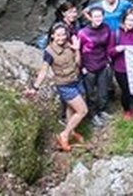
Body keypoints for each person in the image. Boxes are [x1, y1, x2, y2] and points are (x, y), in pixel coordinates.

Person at [24, 22, 87, 151]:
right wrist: (35, 88)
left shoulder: (69, 45)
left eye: (64, 34)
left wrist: (77, 49)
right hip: (65, 85)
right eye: (58, 35)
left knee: (71, 109)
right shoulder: (49, 52)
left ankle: (71, 132)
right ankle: (64, 135)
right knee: (82, 111)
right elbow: (43, 71)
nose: (62, 38)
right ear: (52, 36)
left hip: (75, 80)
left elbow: (78, 63)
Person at [77, 6, 113, 127]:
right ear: (90, 17)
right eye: (95, 16)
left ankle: (102, 110)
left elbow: (109, 45)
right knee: (91, 93)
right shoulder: (83, 33)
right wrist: (82, 67)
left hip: (103, 64)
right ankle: (93, 115)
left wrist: (108, 60)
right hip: (89, 66)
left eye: (100, 16)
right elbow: (79, 51)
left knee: (103, 91)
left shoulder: (106, 28)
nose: (98, 18)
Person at [110, 9, 133, 119]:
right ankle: (127, 110)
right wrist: (117, 49)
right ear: (124, 20)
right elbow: (109, 52)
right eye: (128, 20)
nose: (130, 22)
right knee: (126, 90)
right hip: (121, 67)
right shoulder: (116, 33)